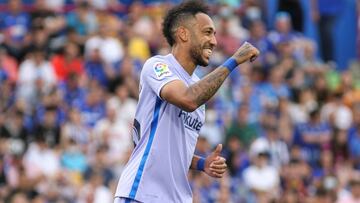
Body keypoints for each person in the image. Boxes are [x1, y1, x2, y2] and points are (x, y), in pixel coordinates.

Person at [113, 1, 260, 203]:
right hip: (142, 193)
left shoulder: (199, 87)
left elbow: (176, 151)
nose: (214, 41)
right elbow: (187, 99)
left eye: (215, 34)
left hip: (177, 198)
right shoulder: (158, 66)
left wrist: (203, 164)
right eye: (207, 32)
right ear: (183, 34)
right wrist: (233, 60)